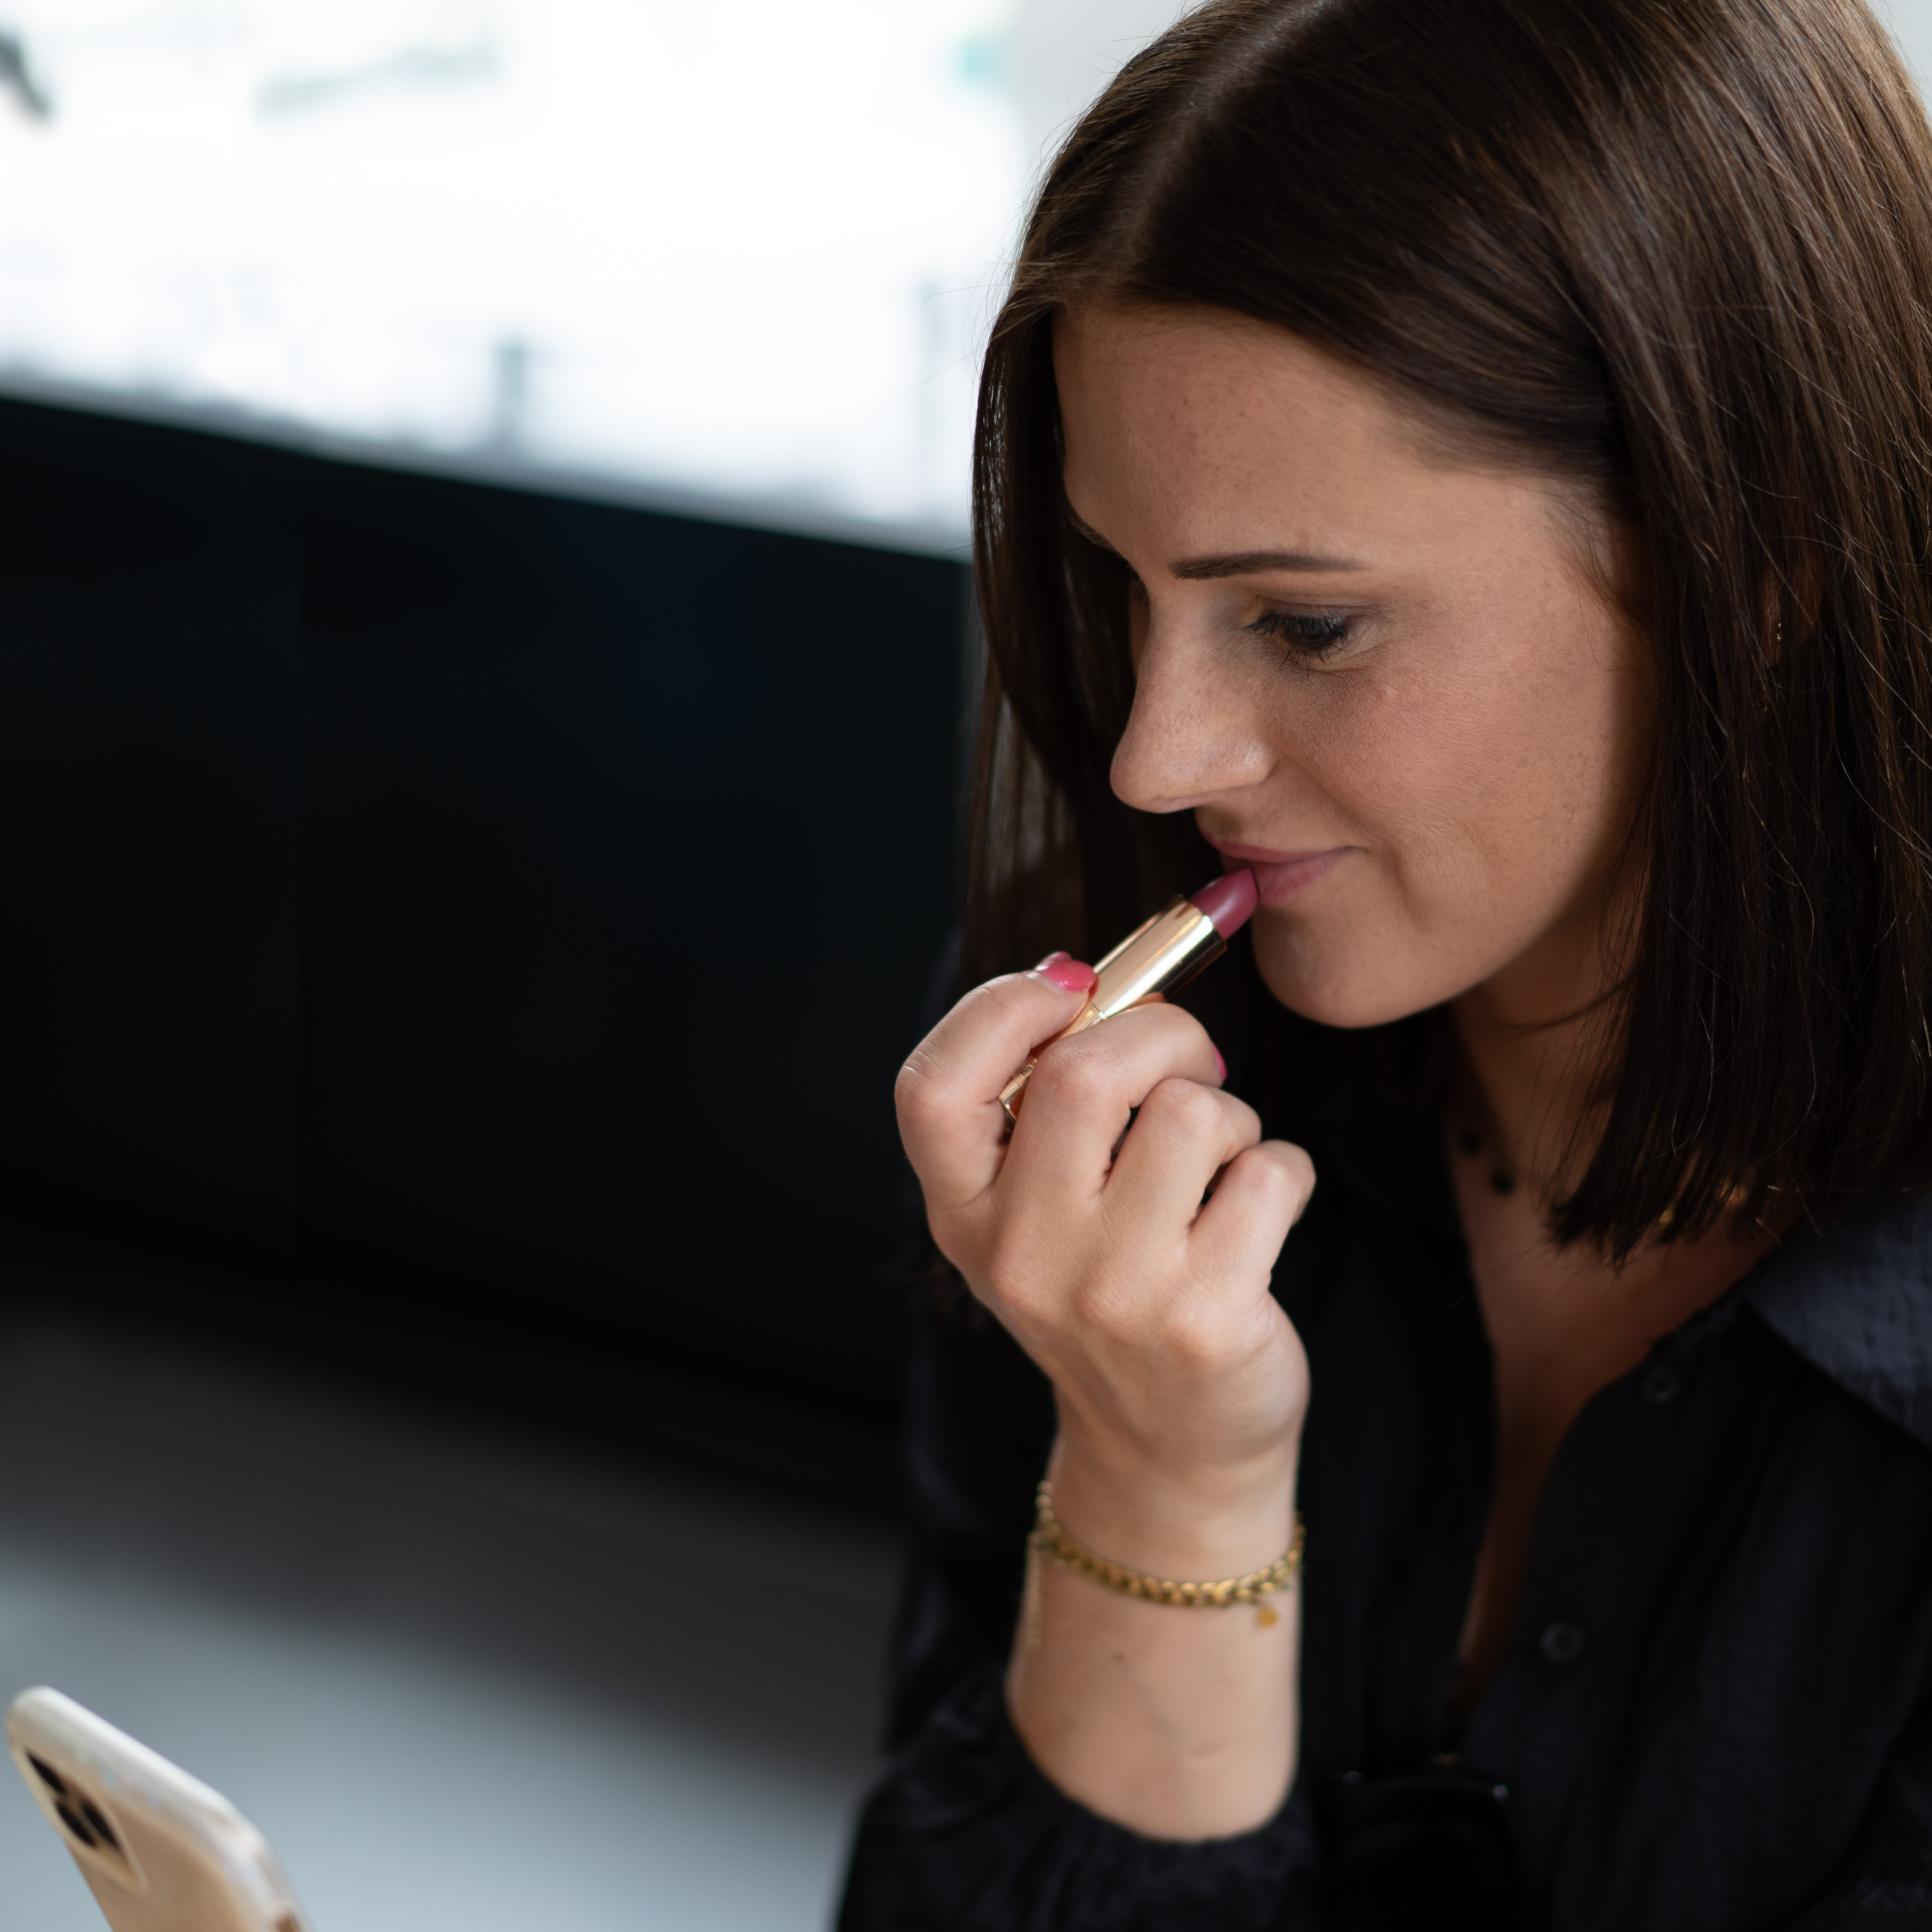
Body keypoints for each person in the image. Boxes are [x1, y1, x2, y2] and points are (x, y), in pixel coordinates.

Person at [837, 0, 1932, 1926]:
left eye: (1309, 623)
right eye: (1123, 583)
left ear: (1763, 564)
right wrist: (1156, 1482)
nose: (1155, 761)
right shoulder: (1119, 1097)